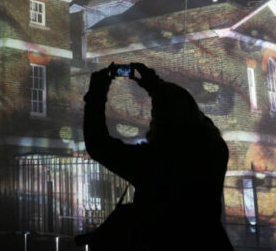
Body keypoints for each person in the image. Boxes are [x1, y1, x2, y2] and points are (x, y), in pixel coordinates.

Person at [77, 62, 233, 250]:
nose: (152, 121)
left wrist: (96, 94)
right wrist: (156, 86)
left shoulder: (155, 161)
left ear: (161, 121)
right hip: (208, 241)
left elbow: (98, 144)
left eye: (154, 115)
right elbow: (188, 114)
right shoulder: (215, 150)